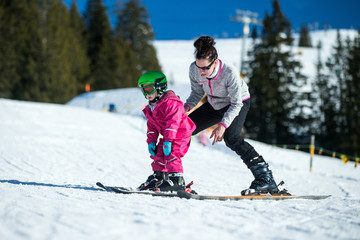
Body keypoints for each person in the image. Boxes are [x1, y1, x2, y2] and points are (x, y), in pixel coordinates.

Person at [184, 36, 281, 195]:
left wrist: (222, 126)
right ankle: (170, 177)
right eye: (198, 66)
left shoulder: (229, 71)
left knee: (232, 138)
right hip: (214, 104)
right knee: (184, 128)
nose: (201, 72)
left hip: (237, 103)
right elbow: (196, 93)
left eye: (205, 68)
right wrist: (185, 108)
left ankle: (265, 178)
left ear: (215, 62)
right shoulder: (194, 69)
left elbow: (237, 103)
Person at [137, 70, 196, 192]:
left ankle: (176, 180)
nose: (146, 94)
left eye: (149, 89)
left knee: (172, 153)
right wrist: (151, 142)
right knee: (159, 152)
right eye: (143, 90)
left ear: (160, 87)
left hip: (181, 133)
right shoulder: (151, 107)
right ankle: (159, 177)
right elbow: (152, 126)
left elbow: (173, 123)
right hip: (169, 135)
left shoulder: (171, 103)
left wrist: (168, 140)